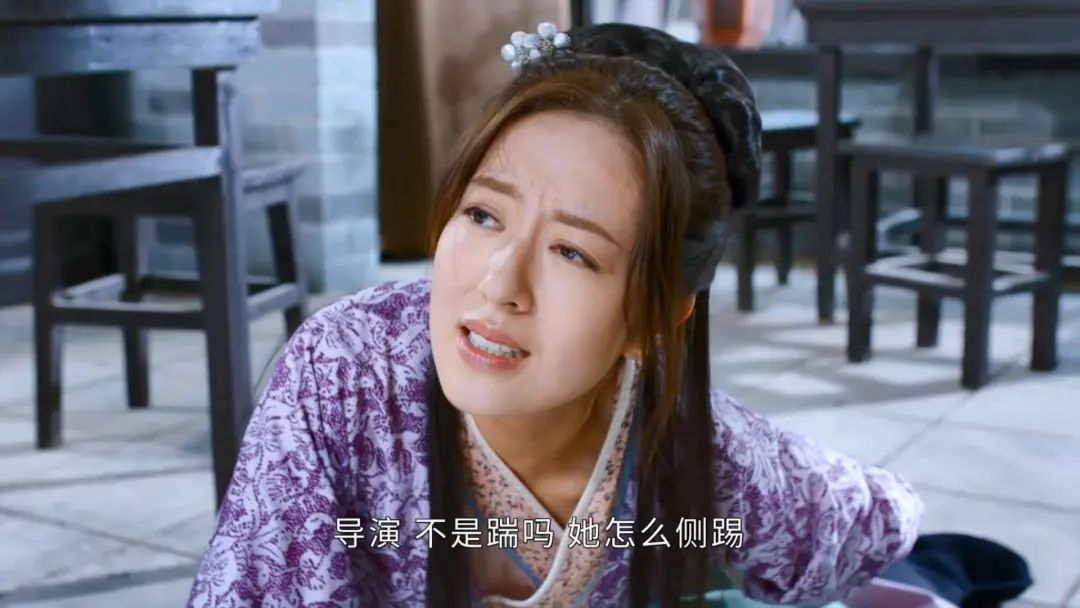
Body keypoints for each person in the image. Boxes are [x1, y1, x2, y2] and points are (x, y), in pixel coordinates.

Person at [187, 22, 923, 607]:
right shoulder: (343, 373)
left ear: (657, 318)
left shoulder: (693, 446)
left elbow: (865, 520)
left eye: (572, 252)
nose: (500, 284)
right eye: (483, 215)